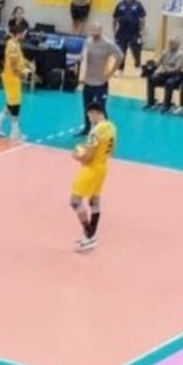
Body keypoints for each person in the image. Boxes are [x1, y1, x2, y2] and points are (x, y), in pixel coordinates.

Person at [69, 102, 117, 253]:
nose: (89, 118)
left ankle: (89, 235)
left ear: (95, 112)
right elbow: (112, 151)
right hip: (103, 167)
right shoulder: (112, 127)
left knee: (75, 201)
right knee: (94, 201)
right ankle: (90, 236)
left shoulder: (95, 131)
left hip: (90, 169)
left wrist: (78, 155)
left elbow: (88, 157)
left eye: (89, 115)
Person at [78, 22, 122, 135]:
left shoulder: (107, 44)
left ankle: (105, 130)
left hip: (101, 83)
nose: (94, 34)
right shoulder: (88, 41)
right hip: (88, 81)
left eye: (96, 31)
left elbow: (120, 56)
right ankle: (87, 128)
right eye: (92, 31)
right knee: (87, 107)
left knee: (100, 107)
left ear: (101, 31)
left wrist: (111, 72)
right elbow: (84, 57)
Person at [0, 24, 31, 140]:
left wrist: (28, 64)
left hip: (14, 77)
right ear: (20, 33)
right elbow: (13, 65)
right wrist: (22, 73)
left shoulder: (16, 43)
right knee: (15, 105)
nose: (25, 34)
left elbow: (20, 58)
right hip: (11, 77)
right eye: (24, 32)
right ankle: (14, 131)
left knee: (10, 102)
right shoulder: (11, 45)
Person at [112, 0, 147, 73]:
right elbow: (114, 18)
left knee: (136, 51)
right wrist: (114, 30)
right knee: (121, 51)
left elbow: (142, 19)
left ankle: (138, 66)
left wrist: (142, 32)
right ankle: (120, 68)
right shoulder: (120, 5)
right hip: (122, 32)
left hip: (134, 32)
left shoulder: (138, 4)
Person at [145, 37, 183, 111]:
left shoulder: (180, 54)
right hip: (163, 74)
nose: (170, 45)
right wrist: (151, 66)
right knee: (151, 78)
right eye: (170, 43)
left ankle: (167, 104)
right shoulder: (165, 52)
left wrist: (167, 70)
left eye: (172, 43)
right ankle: (151, 102)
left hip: (175, 75)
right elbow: (158, 63)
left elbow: (177, 68)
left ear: (178, 44)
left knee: (169, 82)